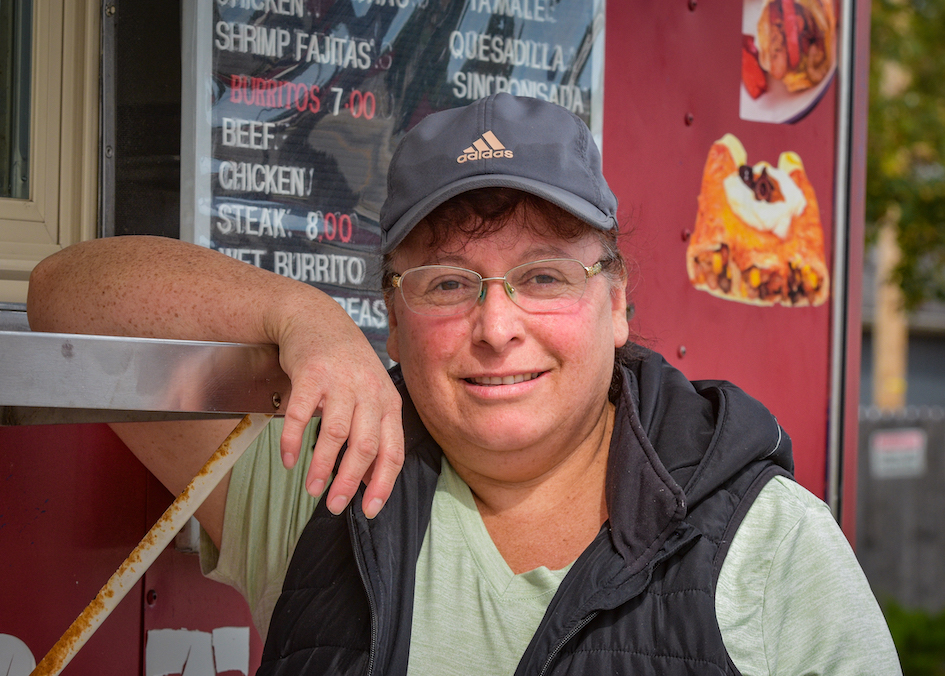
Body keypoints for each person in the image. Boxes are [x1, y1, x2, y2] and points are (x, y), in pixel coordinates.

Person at [27, 93, 900, 675]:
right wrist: (304, 319)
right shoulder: (328, 483)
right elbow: (66, 292)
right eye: (447, 282)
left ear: (618, 304)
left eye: (545, 277)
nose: (495, 326)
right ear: (394, 320)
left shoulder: (767, 541)